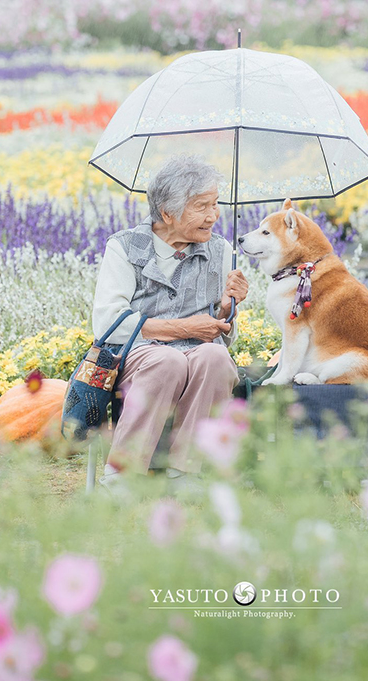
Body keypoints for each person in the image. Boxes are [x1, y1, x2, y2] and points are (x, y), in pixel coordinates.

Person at [92, 153, 248, 490]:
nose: (214, 215)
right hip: (141, 356)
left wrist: (225, 310)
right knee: (167, 360)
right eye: (202, 206)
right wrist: (186, 328)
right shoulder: (124, 248)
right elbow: (108, 323)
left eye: (215, 204)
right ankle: (121, 476)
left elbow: (226, 335)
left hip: (199, 352)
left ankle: (187, 472)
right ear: (167, 213)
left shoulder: (219, 251)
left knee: (216, 357)